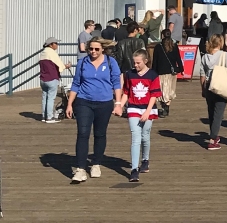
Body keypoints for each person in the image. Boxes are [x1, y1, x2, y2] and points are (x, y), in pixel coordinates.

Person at [66, 38, 123, 184]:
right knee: (83, 133)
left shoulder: (110, 62)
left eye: (97, 49)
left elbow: (116, 83)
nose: (93, 52)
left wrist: (118, 103)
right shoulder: (83, 63)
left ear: (102, 49)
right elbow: (76, 84)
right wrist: (69, 104)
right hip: (84, 101)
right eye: (91, 49)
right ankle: (80, 169)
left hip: (104, 102)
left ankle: (96, 164)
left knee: (100, 134)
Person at [118, 47, 160, 183]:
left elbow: (154, 94)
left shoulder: (153, 75)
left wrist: (148, 111)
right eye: (134, 63)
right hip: (133, 108)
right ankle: (134, 169)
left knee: (145, 135)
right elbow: (126, 92)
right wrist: (119, 105)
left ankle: (145, 159)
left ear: (145, 61)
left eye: (138, 63)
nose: (135, 65)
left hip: (148, 107)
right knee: (135, 136)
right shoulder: (129, 74)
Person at [199, 33, 227, 150]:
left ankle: (214, 133)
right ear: (220, 43)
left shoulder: (205, 57)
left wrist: (203, 89)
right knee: (219, 113)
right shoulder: (225, 55)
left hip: (209, 86)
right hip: (221, 85)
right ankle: (212, 139)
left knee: (211, 112)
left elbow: (202, 75)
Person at [38, 37, 71, 122]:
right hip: (52, 78)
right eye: (55, 43)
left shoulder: (42, 53)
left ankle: (43, 116)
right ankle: (49, 117)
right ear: (50, 45)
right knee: (51, 98)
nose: (57, 45)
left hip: (43, 79)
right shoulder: (52, 53)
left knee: (44, 97)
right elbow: (60, 65)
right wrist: (66, 66)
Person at [151, 29, 183, 111]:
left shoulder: (158, 47)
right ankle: (167, 107)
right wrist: (181, 69)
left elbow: (155, 61)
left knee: (163, 90)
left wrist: (153, 72)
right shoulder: (174, 45)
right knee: (170, 90)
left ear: (162, 36)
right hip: (172, 72)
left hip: (161, 71)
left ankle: (164, 108)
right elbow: (178, 59)